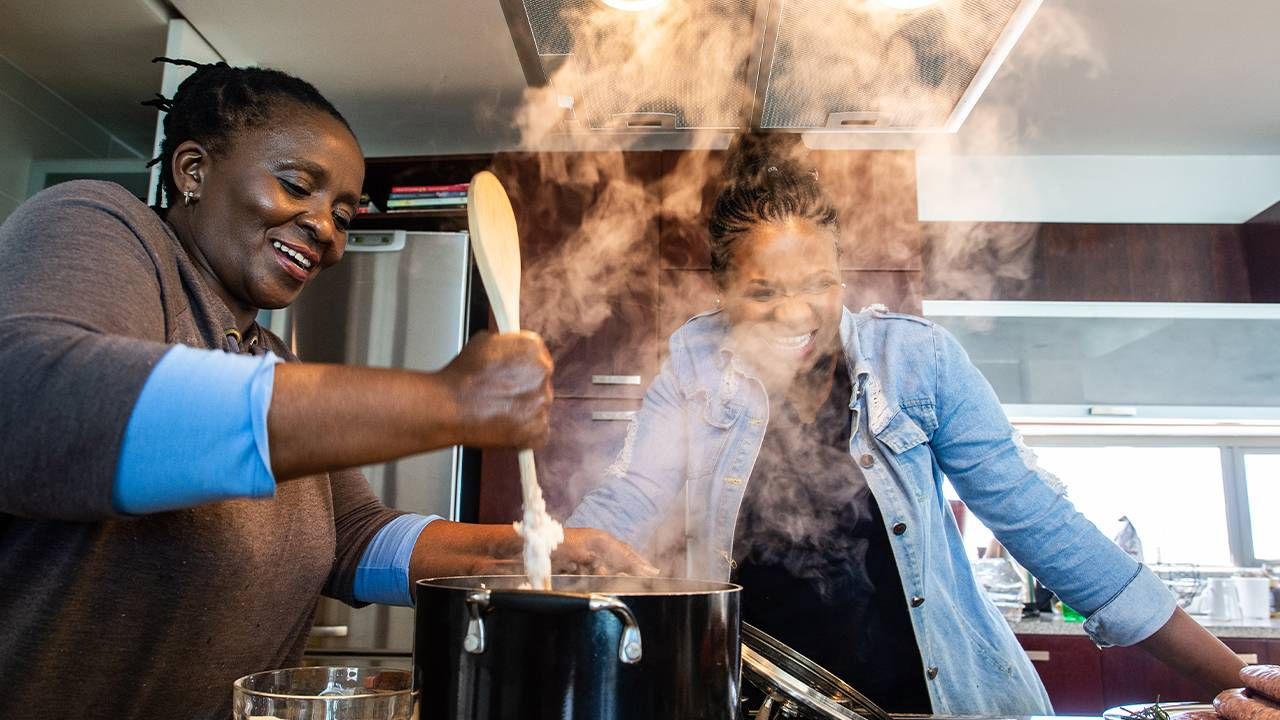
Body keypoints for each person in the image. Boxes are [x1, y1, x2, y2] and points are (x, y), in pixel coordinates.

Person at [0, 59, 649, 720]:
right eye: (296, 186)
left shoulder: (271, 359)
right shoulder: (100, 223)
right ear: (192, 170)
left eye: (343, 213)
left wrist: (533, 551)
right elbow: (29, 403)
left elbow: (355, 542)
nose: (327, 230)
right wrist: (448, 400)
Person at [567, 134, 1245, 715]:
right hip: (760, 700)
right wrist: (549, 557)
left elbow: (1039, 520)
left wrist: (1237, 682)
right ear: (722, 290)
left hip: (930, 704)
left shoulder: (918, 364)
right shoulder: (696, 362)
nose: (795, 314)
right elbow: (632, 498)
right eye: (763, 291)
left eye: (817, 283)